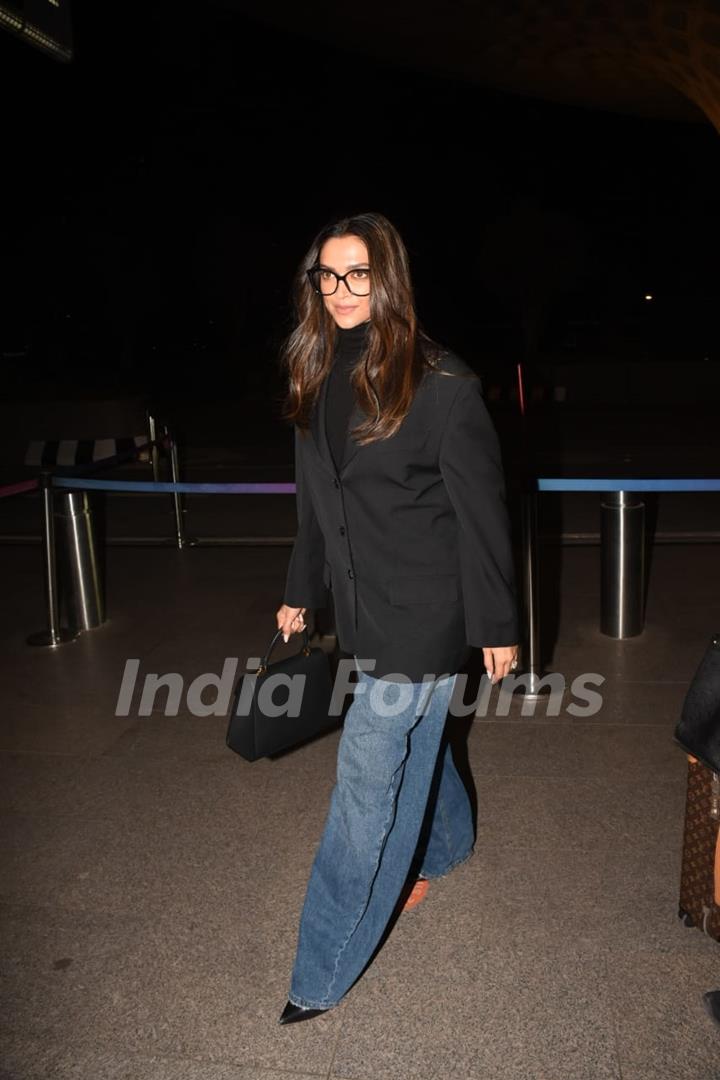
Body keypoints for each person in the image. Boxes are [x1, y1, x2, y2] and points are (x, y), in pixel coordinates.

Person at [275, 211, 519, 1024]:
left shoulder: (445, 385)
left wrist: (496, 625)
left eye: (358, 275)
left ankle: (320, 974)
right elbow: (318, 503)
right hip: (361, 608)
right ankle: (448, 846)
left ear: (388, 280)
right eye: (328, 276)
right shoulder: (315, 371)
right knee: (422, 741)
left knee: (365, 787)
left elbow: (483, 516)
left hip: (426, 617)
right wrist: (300, 588)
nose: (342, 292)